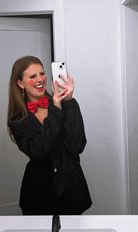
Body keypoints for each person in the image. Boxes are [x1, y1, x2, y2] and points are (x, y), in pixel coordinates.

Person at [7, 55, 92, 215]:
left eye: (42, 73)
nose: (40, 79)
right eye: (32, 76)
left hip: (71, 191)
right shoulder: (18, 120)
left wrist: (68, 101)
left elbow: (77, 145)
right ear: (20, 83)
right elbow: (39, 151)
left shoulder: (64, 103)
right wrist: (56, 109)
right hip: (39, 194)